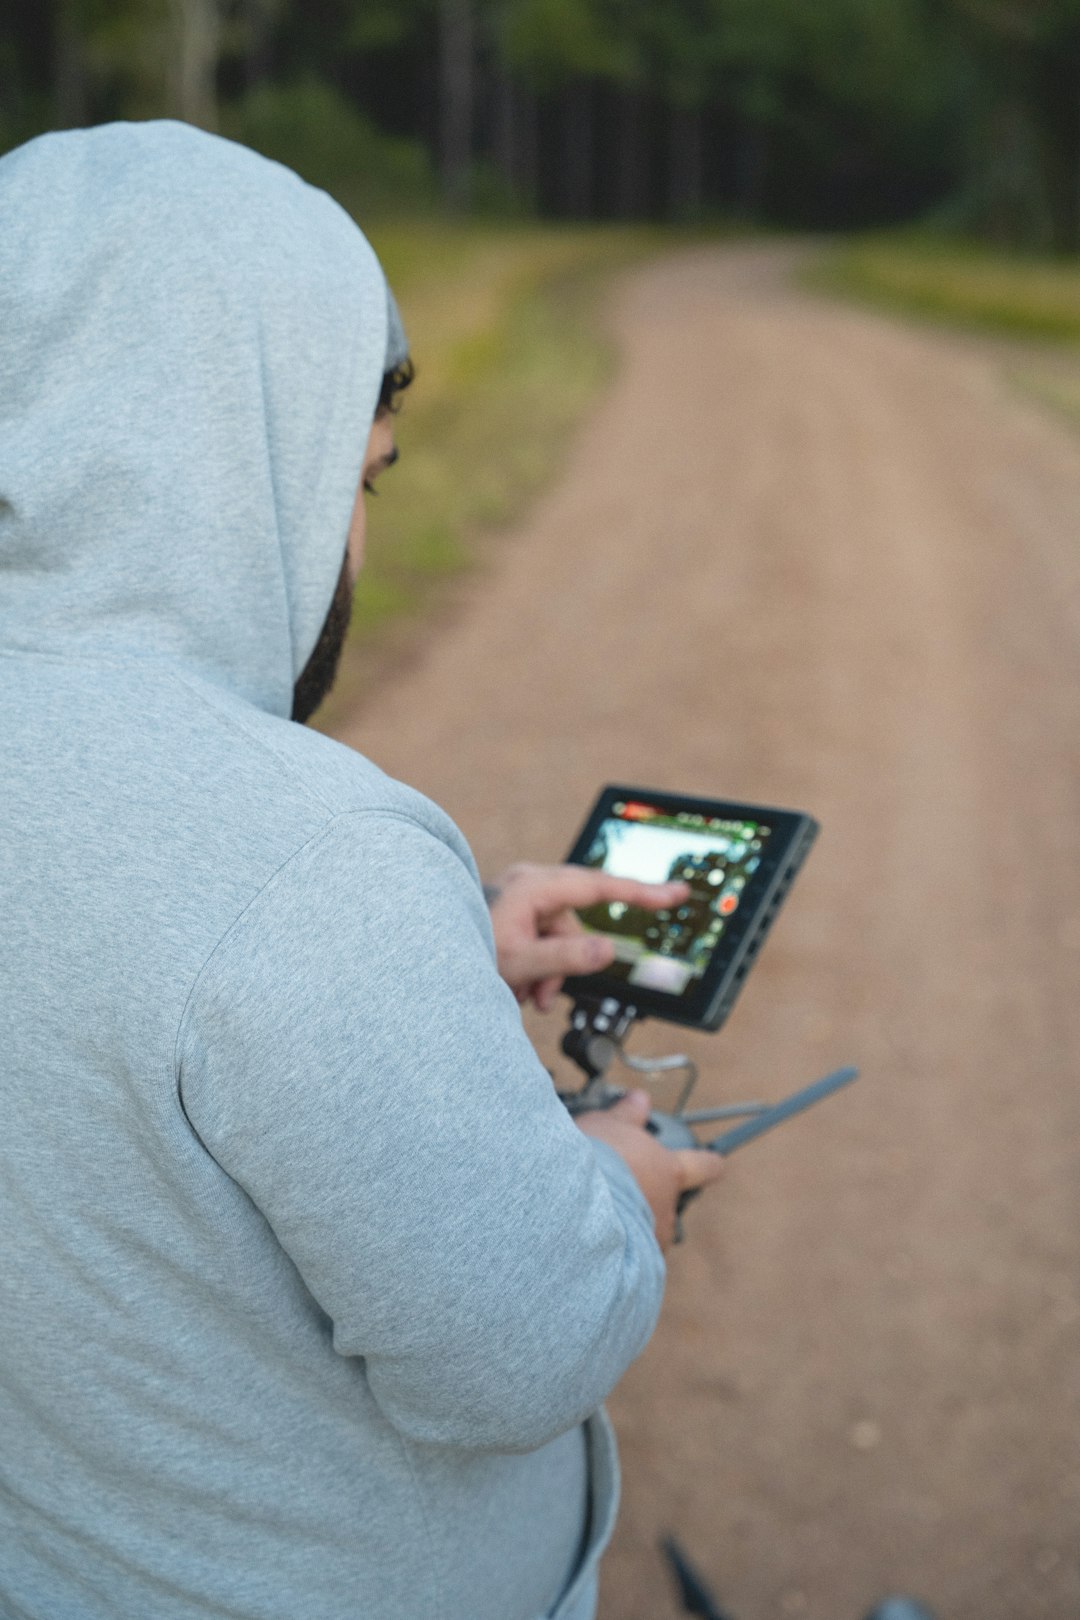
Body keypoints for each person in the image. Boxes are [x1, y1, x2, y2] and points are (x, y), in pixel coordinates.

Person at [0, 122, 723, 1619]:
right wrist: (619, 1187)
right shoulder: (308, 859)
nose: (355, 546)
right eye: (365, 481)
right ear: (236, 446)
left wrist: (431, 959)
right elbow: (516, 1345)